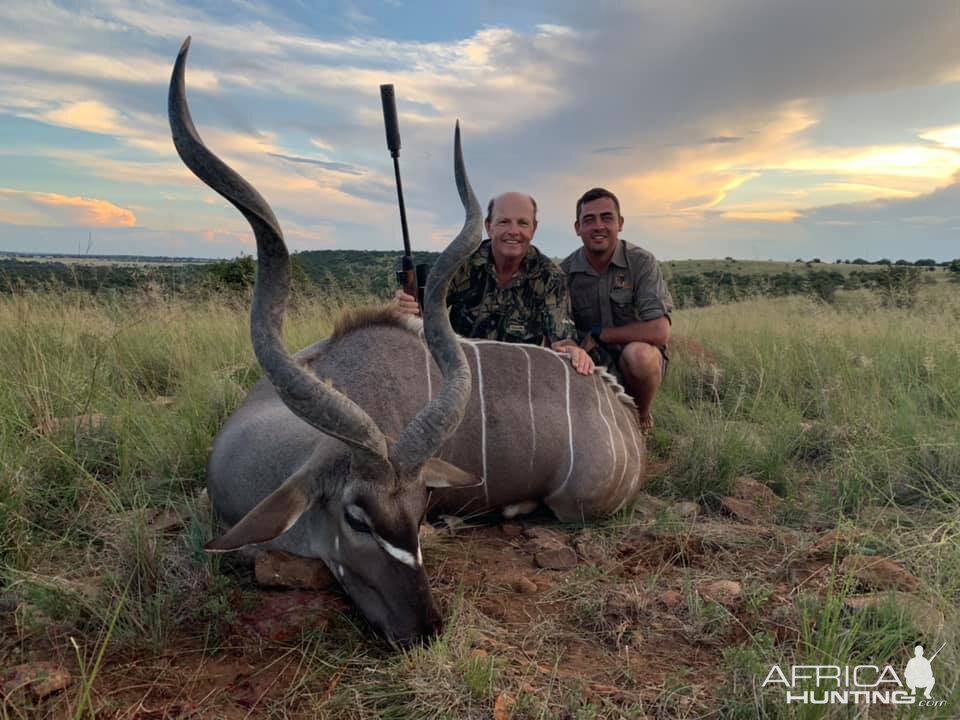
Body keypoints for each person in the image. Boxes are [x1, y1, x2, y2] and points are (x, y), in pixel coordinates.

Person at [395, 191, 594, 375]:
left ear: (534, 229)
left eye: (523, 223)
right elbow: (425, 312)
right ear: (489, 227)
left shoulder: (550, 277)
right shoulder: (460, 265)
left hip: (520, 374)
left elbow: (562, 339)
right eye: (504, 222)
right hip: (461, 369)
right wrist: (407, 307)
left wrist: (573, 350)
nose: (513, 231)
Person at [561, 187, 673, 431]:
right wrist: (572, 348)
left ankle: (640, 419)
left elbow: (660, 331)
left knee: (640, 357)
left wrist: (601, 334)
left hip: (632, 359)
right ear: (577, 228)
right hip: (588, 361)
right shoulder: (565, 272)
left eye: (607, 217)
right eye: (589, 220)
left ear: (620, 223)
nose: (598, 226)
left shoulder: (641, 262)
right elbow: (559, 331)